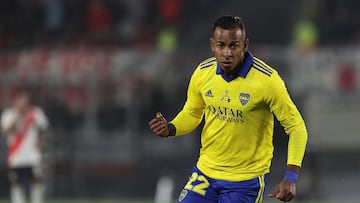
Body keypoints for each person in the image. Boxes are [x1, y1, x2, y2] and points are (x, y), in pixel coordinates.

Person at [149, 16, 308, 203]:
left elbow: (297, 128)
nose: (227, 53)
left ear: (245, 45)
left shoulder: (267, 81)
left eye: (234, 45)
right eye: (221, 45)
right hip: (205, 174)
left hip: (245, 181)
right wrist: (171, 128)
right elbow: (192, 113)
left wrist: (291, 177)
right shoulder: (202, 73)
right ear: (212, 45)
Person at [1, 89, 49, 203]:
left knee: (36, 181)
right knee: (16, 182)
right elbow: (6, 131)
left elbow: (45, 127)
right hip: (16, 154)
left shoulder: (35, 112)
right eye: (21, 100)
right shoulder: (8, 114)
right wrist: (17, 116)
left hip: (32, 154)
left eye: (26, 99)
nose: (24, 102)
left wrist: (41, 141)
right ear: (16, 100)